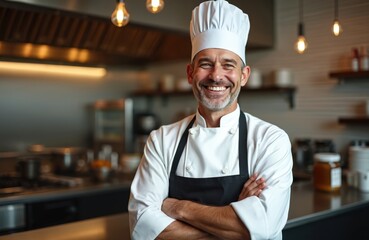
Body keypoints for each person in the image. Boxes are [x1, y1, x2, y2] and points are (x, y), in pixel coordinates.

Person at [128, 0, 293, 239]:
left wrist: (178, 207)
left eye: (228, 65)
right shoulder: (162, 140)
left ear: (244, 76)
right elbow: (142, 226)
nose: (216, 75)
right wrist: (233, 222)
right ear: (190, 73)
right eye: (205, 64)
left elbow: (263, 228)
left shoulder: (270, 140)